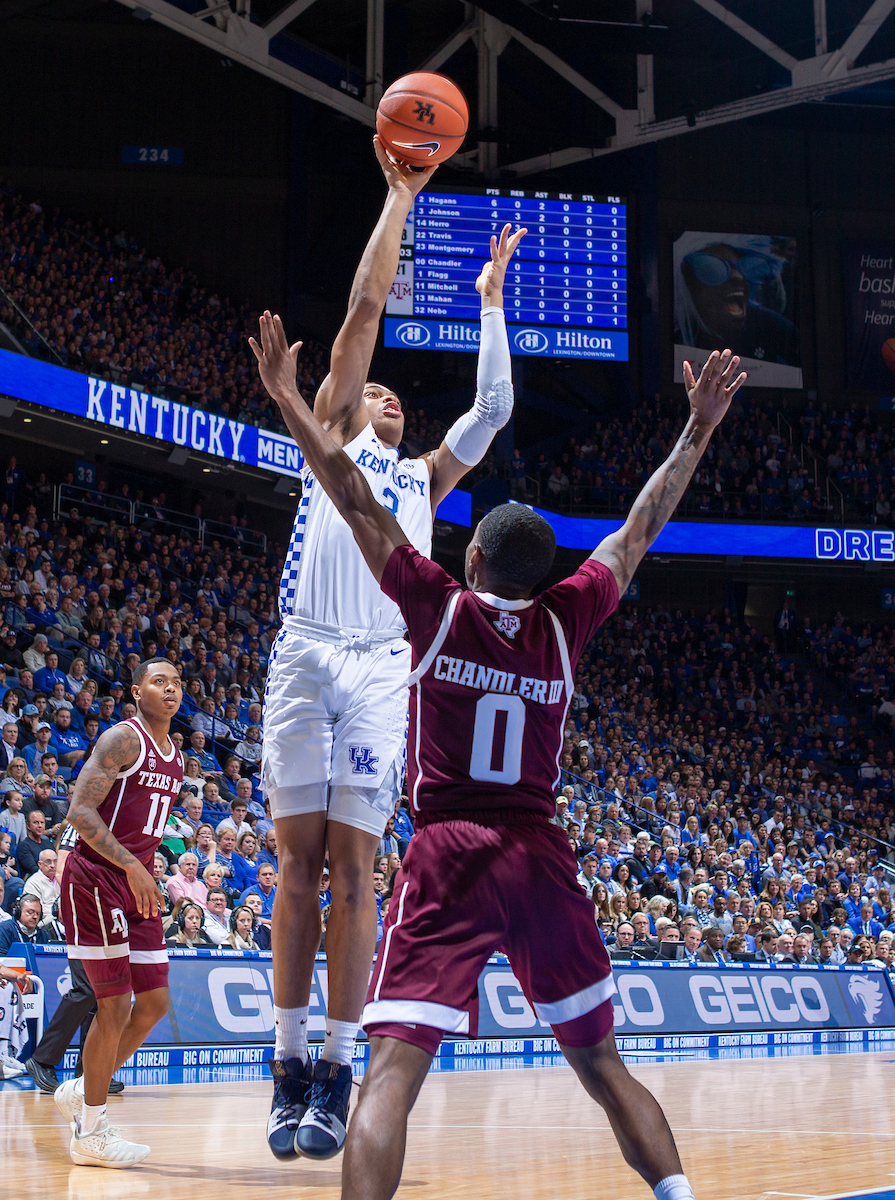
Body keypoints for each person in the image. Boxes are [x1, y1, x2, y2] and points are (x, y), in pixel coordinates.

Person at [252, 283, 745, 1198]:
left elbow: (353, 497)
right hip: (538, 852)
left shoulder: (433, 608)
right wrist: (698, 429)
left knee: (390, 1077)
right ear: (549, 572)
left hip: (447, 855)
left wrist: (286, 398)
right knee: (603, 1068)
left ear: (467, 561)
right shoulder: (571, 616)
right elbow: (639, 529)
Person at [253, 141, 526, 1161]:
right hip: (306, 653)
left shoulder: (420, 480)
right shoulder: (328, 431)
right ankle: (284, 1068)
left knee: (358, 871)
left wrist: (491, 301)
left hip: (380, 666)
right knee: (295, 865)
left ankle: (334, 1066)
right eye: (377, 395)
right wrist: (396, 199)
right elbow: (364, 315)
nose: (390, 399)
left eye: (395, 399)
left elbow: (491, 413)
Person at [54, 657, 184, 1168]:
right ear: (136, 693)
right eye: (159, 682)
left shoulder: (175, 754)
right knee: (115, 1006)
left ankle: (85, 1087)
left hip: (137, 879)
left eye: (176, 683)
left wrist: (142, 868)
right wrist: (132, 865)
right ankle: (90, 1131)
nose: (171, 689)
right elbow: (80, 813)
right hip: (96, 877)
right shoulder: (123, 739)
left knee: (153, 1004)